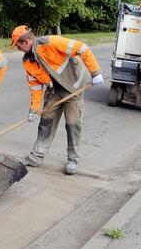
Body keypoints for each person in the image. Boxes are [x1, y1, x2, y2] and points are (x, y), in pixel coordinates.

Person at [10, 25, 104, 175]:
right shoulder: (28, 61)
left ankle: (73, 160)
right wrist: (34, 109)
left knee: (73, 124)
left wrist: (95, 72)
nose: (18, 49)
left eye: (18, 45)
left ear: (25, 42)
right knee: (46, 121)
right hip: (55, 91)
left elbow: (82, 48)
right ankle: (36, 156)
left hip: (74, 88)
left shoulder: (51, 42)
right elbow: (35, 87)